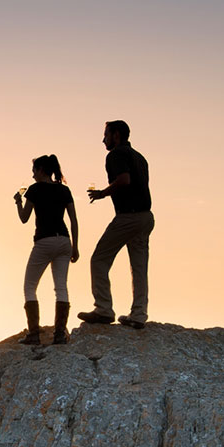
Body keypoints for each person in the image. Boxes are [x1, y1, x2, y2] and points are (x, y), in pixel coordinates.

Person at [80, 119, 155, 329]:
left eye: (106, 134)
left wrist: (102, 193)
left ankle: (103, 309)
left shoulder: (116, 154)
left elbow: (124, 180)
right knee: (139, 267)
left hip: (128, 217)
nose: (103, 139)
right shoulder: (139, 157)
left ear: (116, 135)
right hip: (146, 217)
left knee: (99, 259)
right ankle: (139, 315)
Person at [13, 154, 78, 345]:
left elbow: (24, 218)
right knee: (61, 287)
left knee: (30, 286)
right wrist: (76, 246)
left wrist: (18, 201)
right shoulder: (64, 190)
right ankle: (59, 334)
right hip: (64, 240)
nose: (32, 175)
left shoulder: (34, 190)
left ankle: (34, 334)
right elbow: (73, 219)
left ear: (41, 170)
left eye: (34, 170)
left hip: (44, 240)